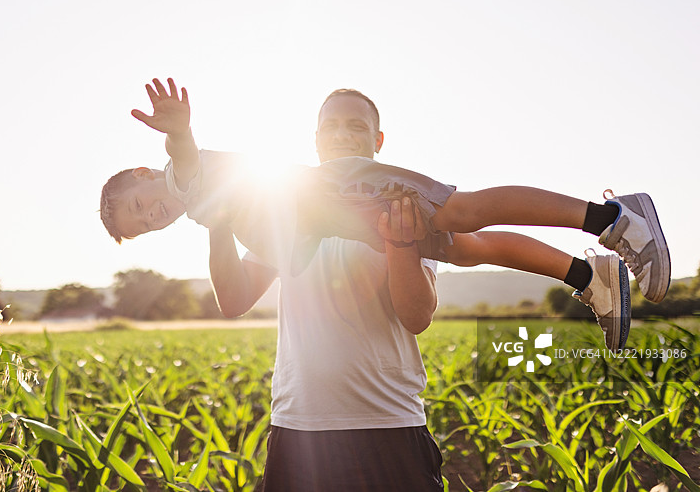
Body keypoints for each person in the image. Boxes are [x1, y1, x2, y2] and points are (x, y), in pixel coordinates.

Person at [101, 78, 670, 351]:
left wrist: (178, 133)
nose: (153, 214)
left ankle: (613, 219)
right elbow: (260, 258)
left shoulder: (181, 177)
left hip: (350, 189)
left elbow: (186, 159)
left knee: (464, 212)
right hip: (347, 217)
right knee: (471, 248)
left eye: (139, 203)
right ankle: (587, 274)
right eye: (145, 223)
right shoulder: (203, 213)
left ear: (147, 174)